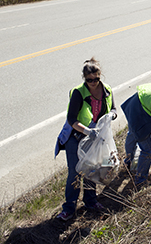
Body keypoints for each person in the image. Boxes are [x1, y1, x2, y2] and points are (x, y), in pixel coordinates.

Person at [54, 57, 117, 221]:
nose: (93, 82)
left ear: (100, 75)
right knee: (75, 173)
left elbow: (114, 108)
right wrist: (88, 131)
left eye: (96, 79)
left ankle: (90, 201)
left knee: (92, 169)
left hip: (95, 139)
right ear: (84, 79)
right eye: (89, 80)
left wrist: (112, 114)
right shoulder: (78, 92)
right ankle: (68, 208)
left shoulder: (107, 90)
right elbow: (71, 119)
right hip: (77, 137)